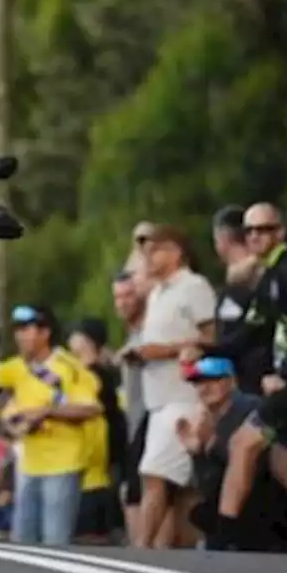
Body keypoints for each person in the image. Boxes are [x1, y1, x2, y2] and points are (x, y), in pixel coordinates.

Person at [189, 202, 287, 550]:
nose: (254, 236)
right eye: (249, 230)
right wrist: (205, 351)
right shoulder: (269, 276)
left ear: (280, 232)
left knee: (243, 442)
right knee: (285, 462)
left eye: (263, 229)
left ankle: (224, 533)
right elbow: (251, 334)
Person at [123, 224, 216, 548]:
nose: (147, 257)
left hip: (184, 395)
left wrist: (161, 351)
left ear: (176, 252)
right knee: (182, 488)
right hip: (159, 397)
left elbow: (211, 337)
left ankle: (142, 546)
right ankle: (185, 553)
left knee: (154, 474)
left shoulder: (194, 286)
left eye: (155, 249)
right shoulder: (159, 291)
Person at [0, 305, 102, 545]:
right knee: (23, 541)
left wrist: (47, 412)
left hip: (63, 464)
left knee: (55, 543)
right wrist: (10, 420)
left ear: (45, 333)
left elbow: (92, 407)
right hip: (29, 463)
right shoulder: (16, 367)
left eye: (26, 329)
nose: (20, 336)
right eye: (18, 330)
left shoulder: (68, 367)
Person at [177, 357, 287, 551]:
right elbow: (208, 484)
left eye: (214, 380)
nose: (204, 388)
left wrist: (213, 445)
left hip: (268, 500)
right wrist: (196, 452)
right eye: (199, 382)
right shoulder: (208, 417)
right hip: (242, 502)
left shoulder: (249, 408)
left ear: (231, 382)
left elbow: (254, 465)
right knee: (200, 511)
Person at [68, 318, 123, 543]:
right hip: (95, 460)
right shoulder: (99, 372)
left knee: (91, 531)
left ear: (85, 341)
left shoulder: (93, 375)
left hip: (96, 458)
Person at [211, 205, 267, 395]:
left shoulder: (259, 274)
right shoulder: (235, 281)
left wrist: (206, 350)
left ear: (222, 239)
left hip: (257, 382)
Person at [111, 271, 148, 541]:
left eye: (128, 295)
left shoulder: (149, 334)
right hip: (133, 423)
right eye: (118, 297)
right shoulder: (130, 336)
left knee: (137, 495)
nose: (123, 303)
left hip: (150, 419)